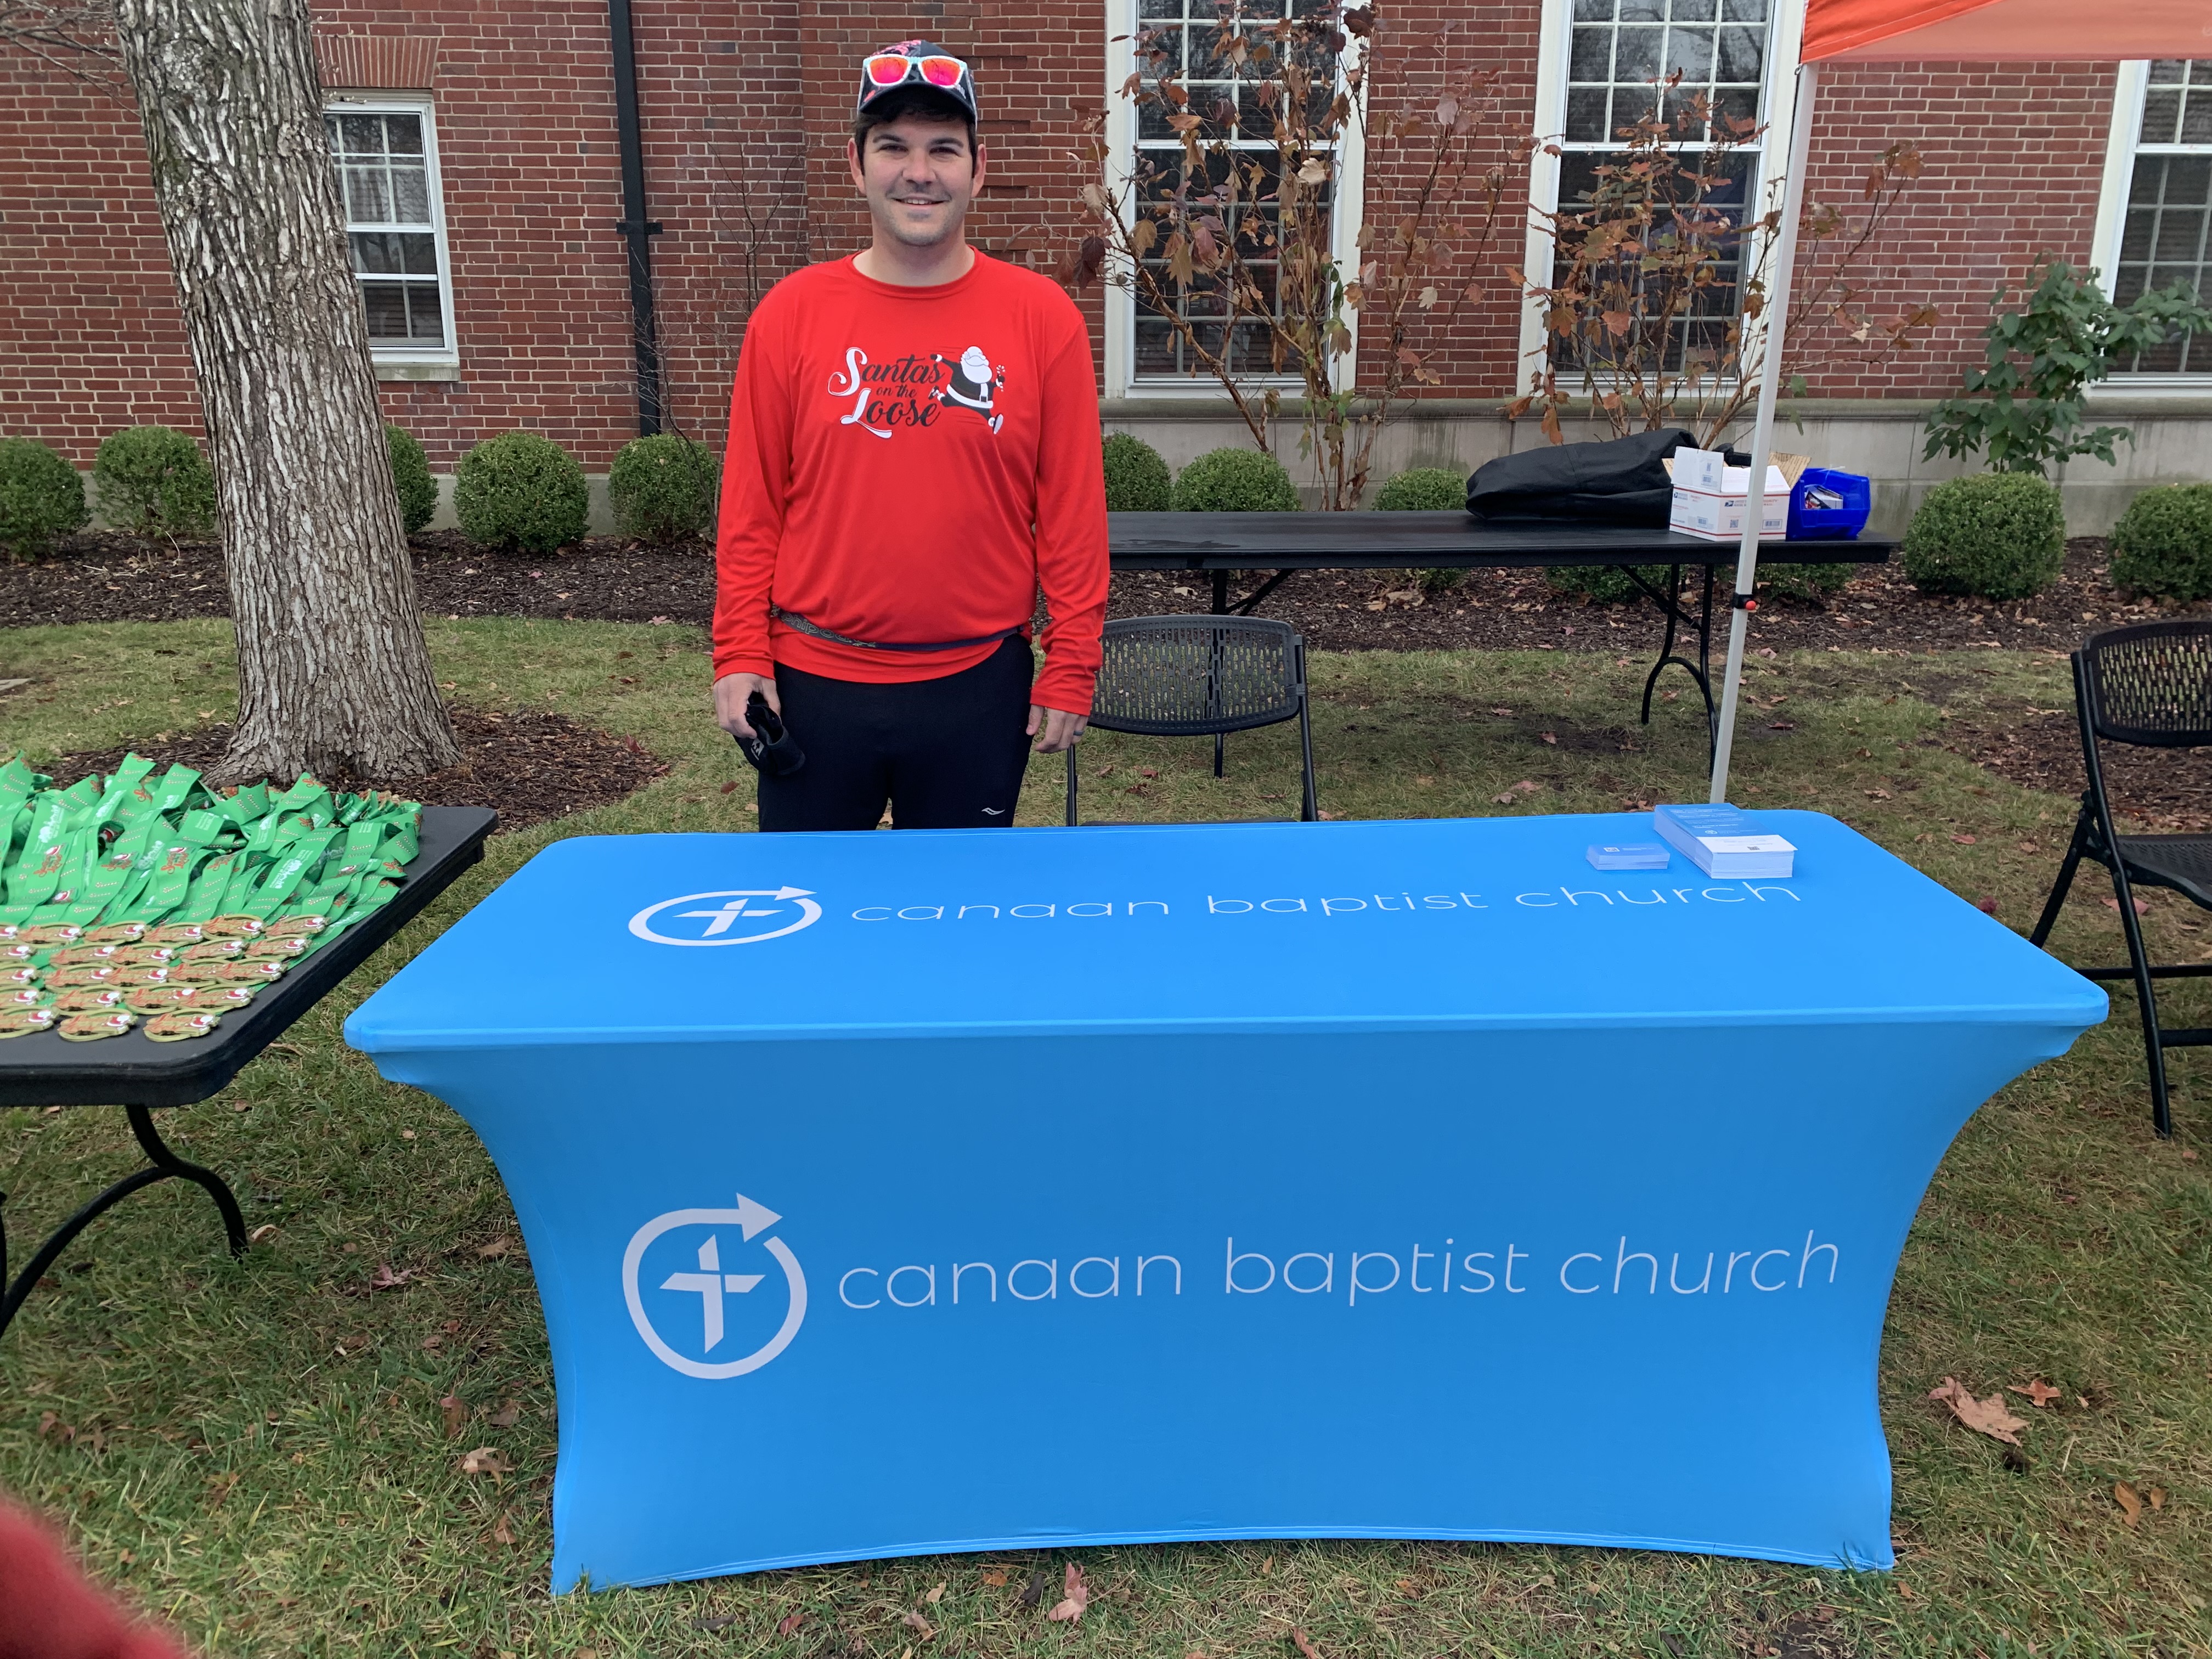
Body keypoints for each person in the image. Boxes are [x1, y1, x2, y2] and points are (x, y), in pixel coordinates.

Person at [711, 41, 1109, 831]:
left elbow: (1071, 512)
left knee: (960, 905)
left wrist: (1072, 658)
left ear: (978, 169)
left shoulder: (1043, 319)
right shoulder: (790, 316)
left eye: (943, 149)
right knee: (814, 904)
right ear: (856, 166)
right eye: (893, 147)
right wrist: (741, 652)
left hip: (978, 687)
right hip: (813, 684)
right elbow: (752, 508)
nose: (918, 172)